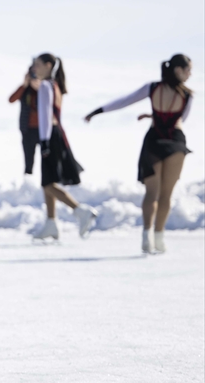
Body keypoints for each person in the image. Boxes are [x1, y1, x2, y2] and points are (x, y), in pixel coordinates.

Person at [85, 54, 193, 254]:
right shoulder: (187, 96)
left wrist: (97, 111)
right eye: (188, 70)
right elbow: (180, 120)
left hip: (153, 141)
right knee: (166, 194)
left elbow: (125, 101)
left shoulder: (152, 88)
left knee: (151, 192)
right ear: (178, 70)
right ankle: (159, 237)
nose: (190, 74)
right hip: (175, 143)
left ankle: (146, 234)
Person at [29, 53, 97, 241]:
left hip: (49, 135)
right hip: (56, 134)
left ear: (48, 65)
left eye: (37, 65)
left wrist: (44, 142)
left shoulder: (45, 86)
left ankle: (80, 211)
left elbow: (44, 116)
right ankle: (51, 223)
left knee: (47, 183)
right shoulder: (54, 85)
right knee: (48, 180)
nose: (34, 68)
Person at [9, 68, 41, 176]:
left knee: (48, 159)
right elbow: (11, 99)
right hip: (27, 129)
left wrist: (39, 87)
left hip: (43, 130)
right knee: (28, 158)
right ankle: (28, 183)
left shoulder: (43, 89)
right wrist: (24, 85)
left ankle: (49, 183)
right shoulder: (24, 90)